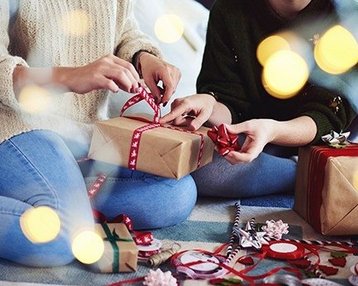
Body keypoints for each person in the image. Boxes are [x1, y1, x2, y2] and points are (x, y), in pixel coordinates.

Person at [0, 1, 197, 267]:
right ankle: (62, 206)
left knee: (175, 194)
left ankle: (59, 196)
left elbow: (123, 28)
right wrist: (71, 77)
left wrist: (142, 57)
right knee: (58, 236)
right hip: (18, 123)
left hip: (85, 133)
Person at [161, 0, 357, 198]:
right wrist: (209, 105)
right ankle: (312, 175)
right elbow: (231, 102)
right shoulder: (229, 10)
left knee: (209, 173)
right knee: (193, 161)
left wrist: (273, 131)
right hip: (253, 134)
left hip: (319, 141)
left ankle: (315, 173)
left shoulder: (348, 14)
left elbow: (328, 116)